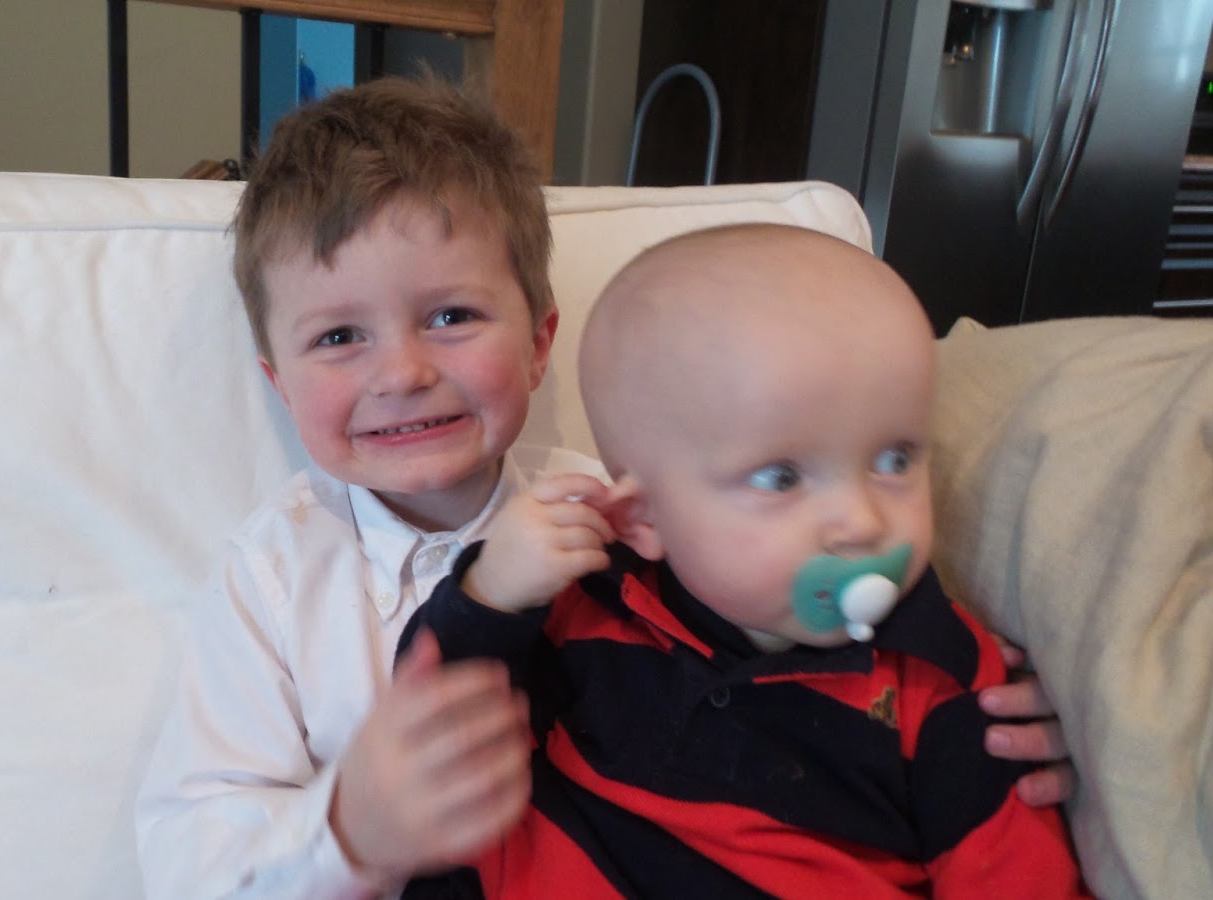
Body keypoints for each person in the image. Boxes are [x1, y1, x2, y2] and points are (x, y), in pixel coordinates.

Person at [133, 76, 1075, 899]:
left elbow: (780, 637)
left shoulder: (618, 514)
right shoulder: (273, 577)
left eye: (451, 316)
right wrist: (348, 829)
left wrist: (969, 710)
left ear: (539, 344)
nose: (404, 373)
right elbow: (187, 859)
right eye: (340, 338)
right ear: (278, 383)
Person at [399, 223, 1090, 897]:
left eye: (895, 460)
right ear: (643, 519)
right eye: (781, 478)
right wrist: (491, 594)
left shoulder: (942, 679)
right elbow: (429, 726)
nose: (862, 522)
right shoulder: (587, 601)